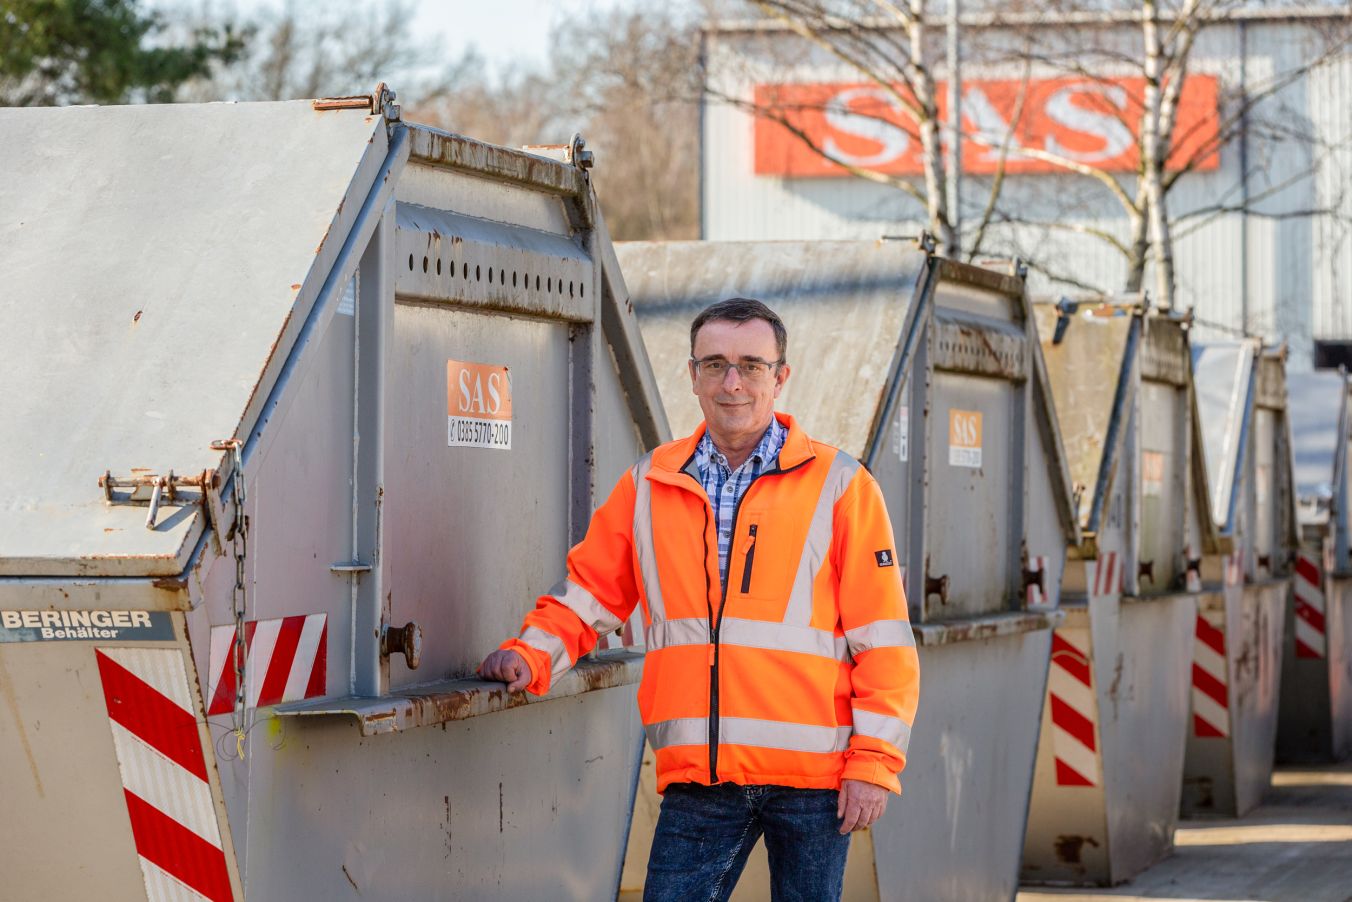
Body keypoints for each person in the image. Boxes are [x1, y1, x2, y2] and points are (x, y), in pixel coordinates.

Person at [479, 298, 919, 901]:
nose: (731, 382)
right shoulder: (649, 482)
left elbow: (885, 639)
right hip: (700, 777)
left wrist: (874, 763)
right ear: (691, 375)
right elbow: (590, 593)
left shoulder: (841, 486)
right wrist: (530, 656)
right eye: (713, 364)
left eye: (751, 365)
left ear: (780, 377)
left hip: (816, 781)